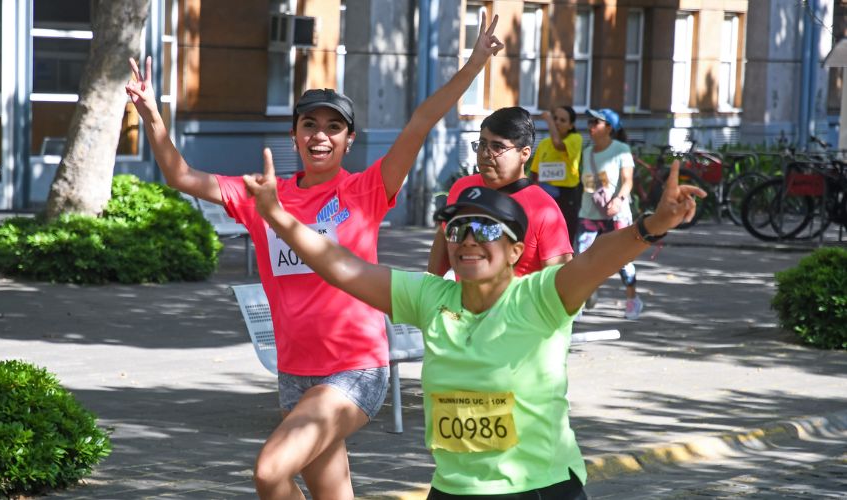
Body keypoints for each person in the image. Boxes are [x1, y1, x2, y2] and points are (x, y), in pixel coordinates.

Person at [124, 14, 504, 499]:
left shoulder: (368, 188)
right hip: (294, 371)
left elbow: (421, 121)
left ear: (349, 139)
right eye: (310, 125)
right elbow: (180, 175)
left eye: (334, 127)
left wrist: (473, 66)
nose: (320, 135)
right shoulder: (263, 194)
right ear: (295, 134)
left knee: (270, 471)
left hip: (355, 368)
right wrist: (153, 117)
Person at [243, 150, 704, 498]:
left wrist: (653, 225)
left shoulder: (540, 296)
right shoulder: (430, 298)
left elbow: (599, 259)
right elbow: (340, 266)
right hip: (453, 490)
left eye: (485, 230)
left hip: (536, 488)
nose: (467, 240)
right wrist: (278, 216)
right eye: (456, 228)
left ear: (517, 251)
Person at [428, 107, 571, 278]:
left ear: (524, 154)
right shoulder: (462, 188)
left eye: (497, 147)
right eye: (482, 144)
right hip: (464, 304)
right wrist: (430, 289)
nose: (485, 153)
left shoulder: (544, 209)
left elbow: (560, 283)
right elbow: (444, 237)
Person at [578, 108, 642, 320]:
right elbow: (587, 182)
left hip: (616, 213)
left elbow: (628, 181)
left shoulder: (621, 149)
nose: (591, 126)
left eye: (596, 122)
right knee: (581, 257)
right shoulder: (587, 152)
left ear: (609, 128)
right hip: (589, 212)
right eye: (589, 122)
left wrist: (619, 199)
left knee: (622, 259)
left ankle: (633, 300)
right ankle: (577, 302)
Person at [529, 106, 583, 243]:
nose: (557, 122)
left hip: (567, 193)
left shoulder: (576, 139)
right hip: (546, 192)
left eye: (562, 120)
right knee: (545, 231)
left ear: (571, 125)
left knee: (566, 232)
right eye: (555, 118)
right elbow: (535, 172)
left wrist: (549, 120)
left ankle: (567, 261)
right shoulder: (544, 143)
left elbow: (558, 144)